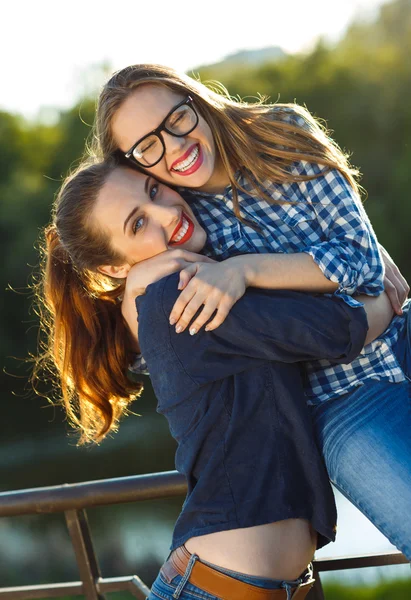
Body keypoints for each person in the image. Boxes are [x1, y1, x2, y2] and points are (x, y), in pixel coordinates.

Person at [92, 64, 411, 559]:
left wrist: (245, 269)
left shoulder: (282, 134)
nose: (174, 146)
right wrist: (135, 287)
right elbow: (171, 356)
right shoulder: (178, 232)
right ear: (133, 165)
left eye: (177, 118)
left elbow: (363, 260)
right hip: (340, 401)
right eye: (148, 146)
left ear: (195, 100)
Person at [37, 160, 392, 599]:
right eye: (139, 223)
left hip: (259, 583)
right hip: (219, 586)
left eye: (153, 190)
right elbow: (339, 329)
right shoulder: (179, 295)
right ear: (113, 267)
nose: (168, 213)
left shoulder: (192, 285)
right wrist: (384, 295)